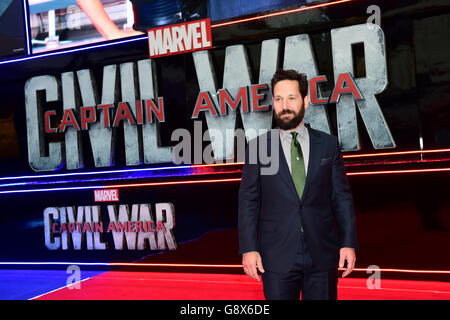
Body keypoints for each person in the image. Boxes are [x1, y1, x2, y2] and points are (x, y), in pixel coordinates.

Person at [238, 69, 358, 300]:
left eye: (291, 98)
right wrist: (248, 248)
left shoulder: (328, 145)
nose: (284, 105)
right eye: (278, 99)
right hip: (276, 255)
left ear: (305, 100)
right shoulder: (258, 147)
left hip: (322, 252)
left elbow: (341, 197)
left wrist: (348, 242)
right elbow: (248, 201)